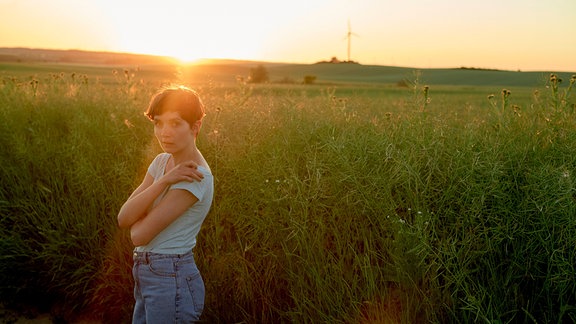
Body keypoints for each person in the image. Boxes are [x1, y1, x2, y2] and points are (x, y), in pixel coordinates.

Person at [117, 85, 213, 323]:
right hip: (148, 272)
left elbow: (138, 235)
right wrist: (165, 181)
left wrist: (141, 213)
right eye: (158, 123)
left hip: (172, 277)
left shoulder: (196, 176)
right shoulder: (161, 163)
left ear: (195, 127)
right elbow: (124, 218)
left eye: (175, 123)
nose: (164, 133)